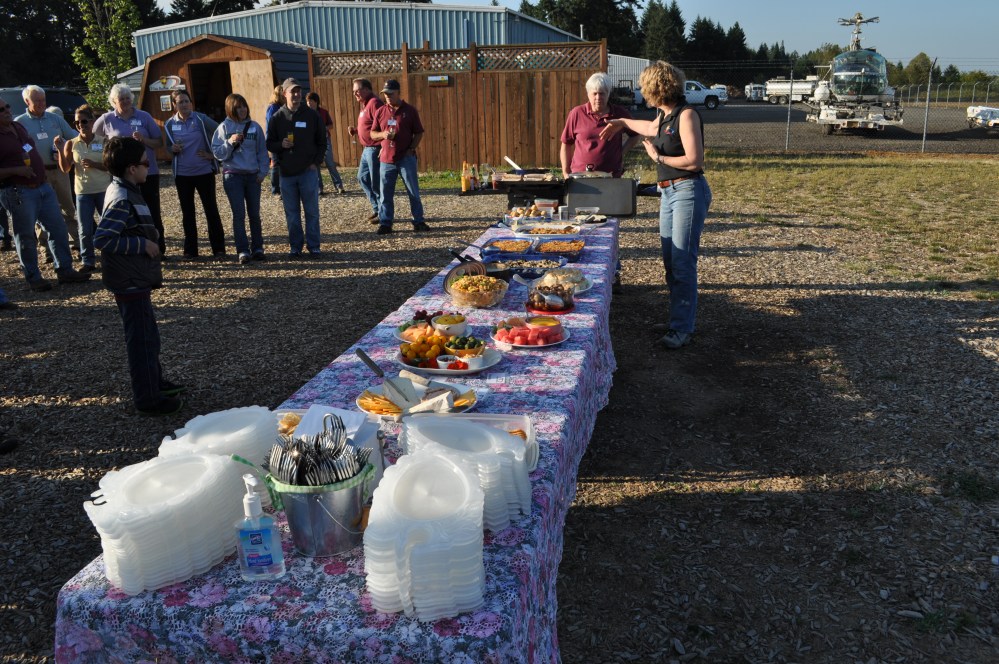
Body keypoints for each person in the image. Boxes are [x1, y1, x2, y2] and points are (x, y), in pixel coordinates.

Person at [600, 61, 712, 349]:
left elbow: (695, 161)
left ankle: (682, 328)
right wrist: (623, 123)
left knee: (683, 262)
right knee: (671, 262)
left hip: (688, 189)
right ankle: (678, 319)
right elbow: (646, 127)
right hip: (668, 193)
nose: (641, 91)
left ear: (656, 87)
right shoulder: (663, 116)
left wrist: (658, 159)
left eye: (644, 86)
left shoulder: (685, 116)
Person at [94, 137, 185, 416]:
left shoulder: (127, 189)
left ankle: (154, 381)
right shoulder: (122, 198)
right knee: (141, 340)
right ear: (132, 168)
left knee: (149, 336)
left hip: (135, 278)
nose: (149, 167)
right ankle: (148, 398)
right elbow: (103, 238)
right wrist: (142, 244)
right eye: (146, 163)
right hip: (129, 280)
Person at [0, 99, 90, 291]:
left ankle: (65, 270)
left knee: (58, 228)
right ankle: (33, 277)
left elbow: (28, 149)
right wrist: (16, 170)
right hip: (18, 190)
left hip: (42, 185)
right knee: (26, 236)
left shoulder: (18, 127)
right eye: (1, 109)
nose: (7, 110)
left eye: (7, 106)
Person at [93, 84, 167, 256]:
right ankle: (133, 245)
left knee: (152, 211)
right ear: (113, 101)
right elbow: (93, 140)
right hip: (121, 175)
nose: (125, 101)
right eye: (121, 99)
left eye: (128, 98)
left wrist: (144, 140)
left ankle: (159, 249)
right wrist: (108, 150)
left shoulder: (144, 116)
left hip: (147, 172)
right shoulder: (106, 119)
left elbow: (159, 142)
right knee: (127, 212)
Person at [15, 86, 80, 260]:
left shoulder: (55, 119)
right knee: (41, 211)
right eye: (37, 100)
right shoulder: (20, 123)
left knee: (68, 207)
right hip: (37, 173)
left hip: (59, 170)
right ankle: (46, 248)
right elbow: (16, 147)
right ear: (27, 102)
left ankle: (76, 243)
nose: (41, 104)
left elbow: (73, 137)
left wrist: (63, 146)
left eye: (43, 100)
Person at [265, 78, 326, 258]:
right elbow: (269, 143)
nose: (297, 94)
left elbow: (322, 141)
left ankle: (314, 246)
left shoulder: (312, 115)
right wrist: (279, 145)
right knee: (292, 215)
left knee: (312, 212)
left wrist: (316, 163)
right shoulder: (278, 117)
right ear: (284, 94)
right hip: (287, 173)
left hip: (308, 171)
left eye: (299, 91)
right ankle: (296, 247)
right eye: (293, 91)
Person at [163, 90, 226, 259]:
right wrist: (172, 149)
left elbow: (222, 131)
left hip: (203, 171)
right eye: (180, 102)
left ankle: (219, 248)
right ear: (174, 105)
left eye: (186, 101)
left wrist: (213, 154)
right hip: (182, 174)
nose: (184, 105)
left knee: (211, 209)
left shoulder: (200, 119)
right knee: (187, 212)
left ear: (191, 103)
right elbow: (168, 146)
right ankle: (191, 250)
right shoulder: (169, 124)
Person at [212, 93, 269, 264]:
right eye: (238, 107)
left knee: (254, 214)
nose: (242, 109)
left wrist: (262, 173)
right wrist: (229, 142)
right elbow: (217, 153)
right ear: (231, 109)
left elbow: (262, 152)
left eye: (244, 106)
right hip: (233, 176)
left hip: (253, 177)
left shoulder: (254, 127)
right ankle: (243, 251)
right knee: (239, 214)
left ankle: (258, 248)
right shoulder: (223, 127)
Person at [369, 79, 429, 235]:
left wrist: (411, 148)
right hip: (386, 160)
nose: (387, 96)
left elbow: (419, 132)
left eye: (390, 93)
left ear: (398, 93)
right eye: (385, 94)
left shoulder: (409, 110)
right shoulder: (380, 111)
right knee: (385, 194)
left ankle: (418, 221)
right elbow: (372, 133)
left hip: (405, 158)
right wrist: (383, 134)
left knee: (413, 191)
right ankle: (385, 223)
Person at [560, 72, 641, 179]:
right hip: (580, 176)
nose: (598, 97)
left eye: (602, 93)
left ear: (608, 94)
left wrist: (621, 152)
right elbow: (566, 143)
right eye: (595, 93)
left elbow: (635, 135)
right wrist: (565, 172)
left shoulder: (619, 114)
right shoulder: (577, 113)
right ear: (588, 94)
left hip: (611, 175)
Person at [60, 104, 110, 274]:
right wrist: (61, 151)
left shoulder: (103, 141)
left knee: (108, 225)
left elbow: (111, 166)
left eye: (84, 121)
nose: (81, 125)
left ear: (92, 121)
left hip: (103, 189)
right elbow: (65, 169)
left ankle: (110, 258)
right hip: (83, 192)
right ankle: (88, 260)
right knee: (84, 229)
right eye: (77, 123)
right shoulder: (72, 144)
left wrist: (95, 164)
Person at [347, 78, 383, 224]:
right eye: (354, 91)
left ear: (367, 89)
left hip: (375, 148)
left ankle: (383, 213)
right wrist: (356, 130)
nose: (355, 94)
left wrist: (383, 146)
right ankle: (376, 207)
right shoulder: (364, 104)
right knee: (362, 177)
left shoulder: (374, 103)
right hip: (366, 149)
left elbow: (383, 124)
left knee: (376, 183)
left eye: (357, 90)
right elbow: (369, 126)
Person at [305, 91, 346, 196]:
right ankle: (319, 188)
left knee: (330, 163)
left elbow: (331, 125)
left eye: (311, 101)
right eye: (307, 101)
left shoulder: (323, 112)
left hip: (324, 141)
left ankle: (339, 186)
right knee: (316, 165)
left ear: (316, 101)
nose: (309, 103)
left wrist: (323, 128)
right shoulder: (305, 113)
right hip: (312, 142)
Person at [264, 85, 284, 196]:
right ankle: (275, 189)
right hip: (274, 139)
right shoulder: (273, 107)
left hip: (281, 138)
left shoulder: (281, 106)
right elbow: (272, 123)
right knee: (275, 163)